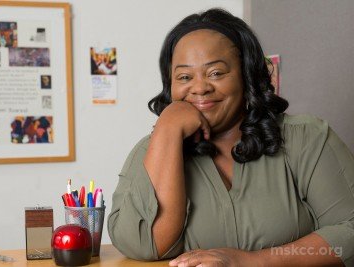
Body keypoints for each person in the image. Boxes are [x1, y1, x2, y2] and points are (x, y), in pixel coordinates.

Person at [108, 8, 354, 267]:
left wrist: (255, 261)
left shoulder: (306, 139)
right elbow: (141, 245)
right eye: (184, 77)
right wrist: (167, 132)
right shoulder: (150, 150)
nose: (200, 87)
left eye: (216, 73)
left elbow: (349, 231)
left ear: (247, 76)